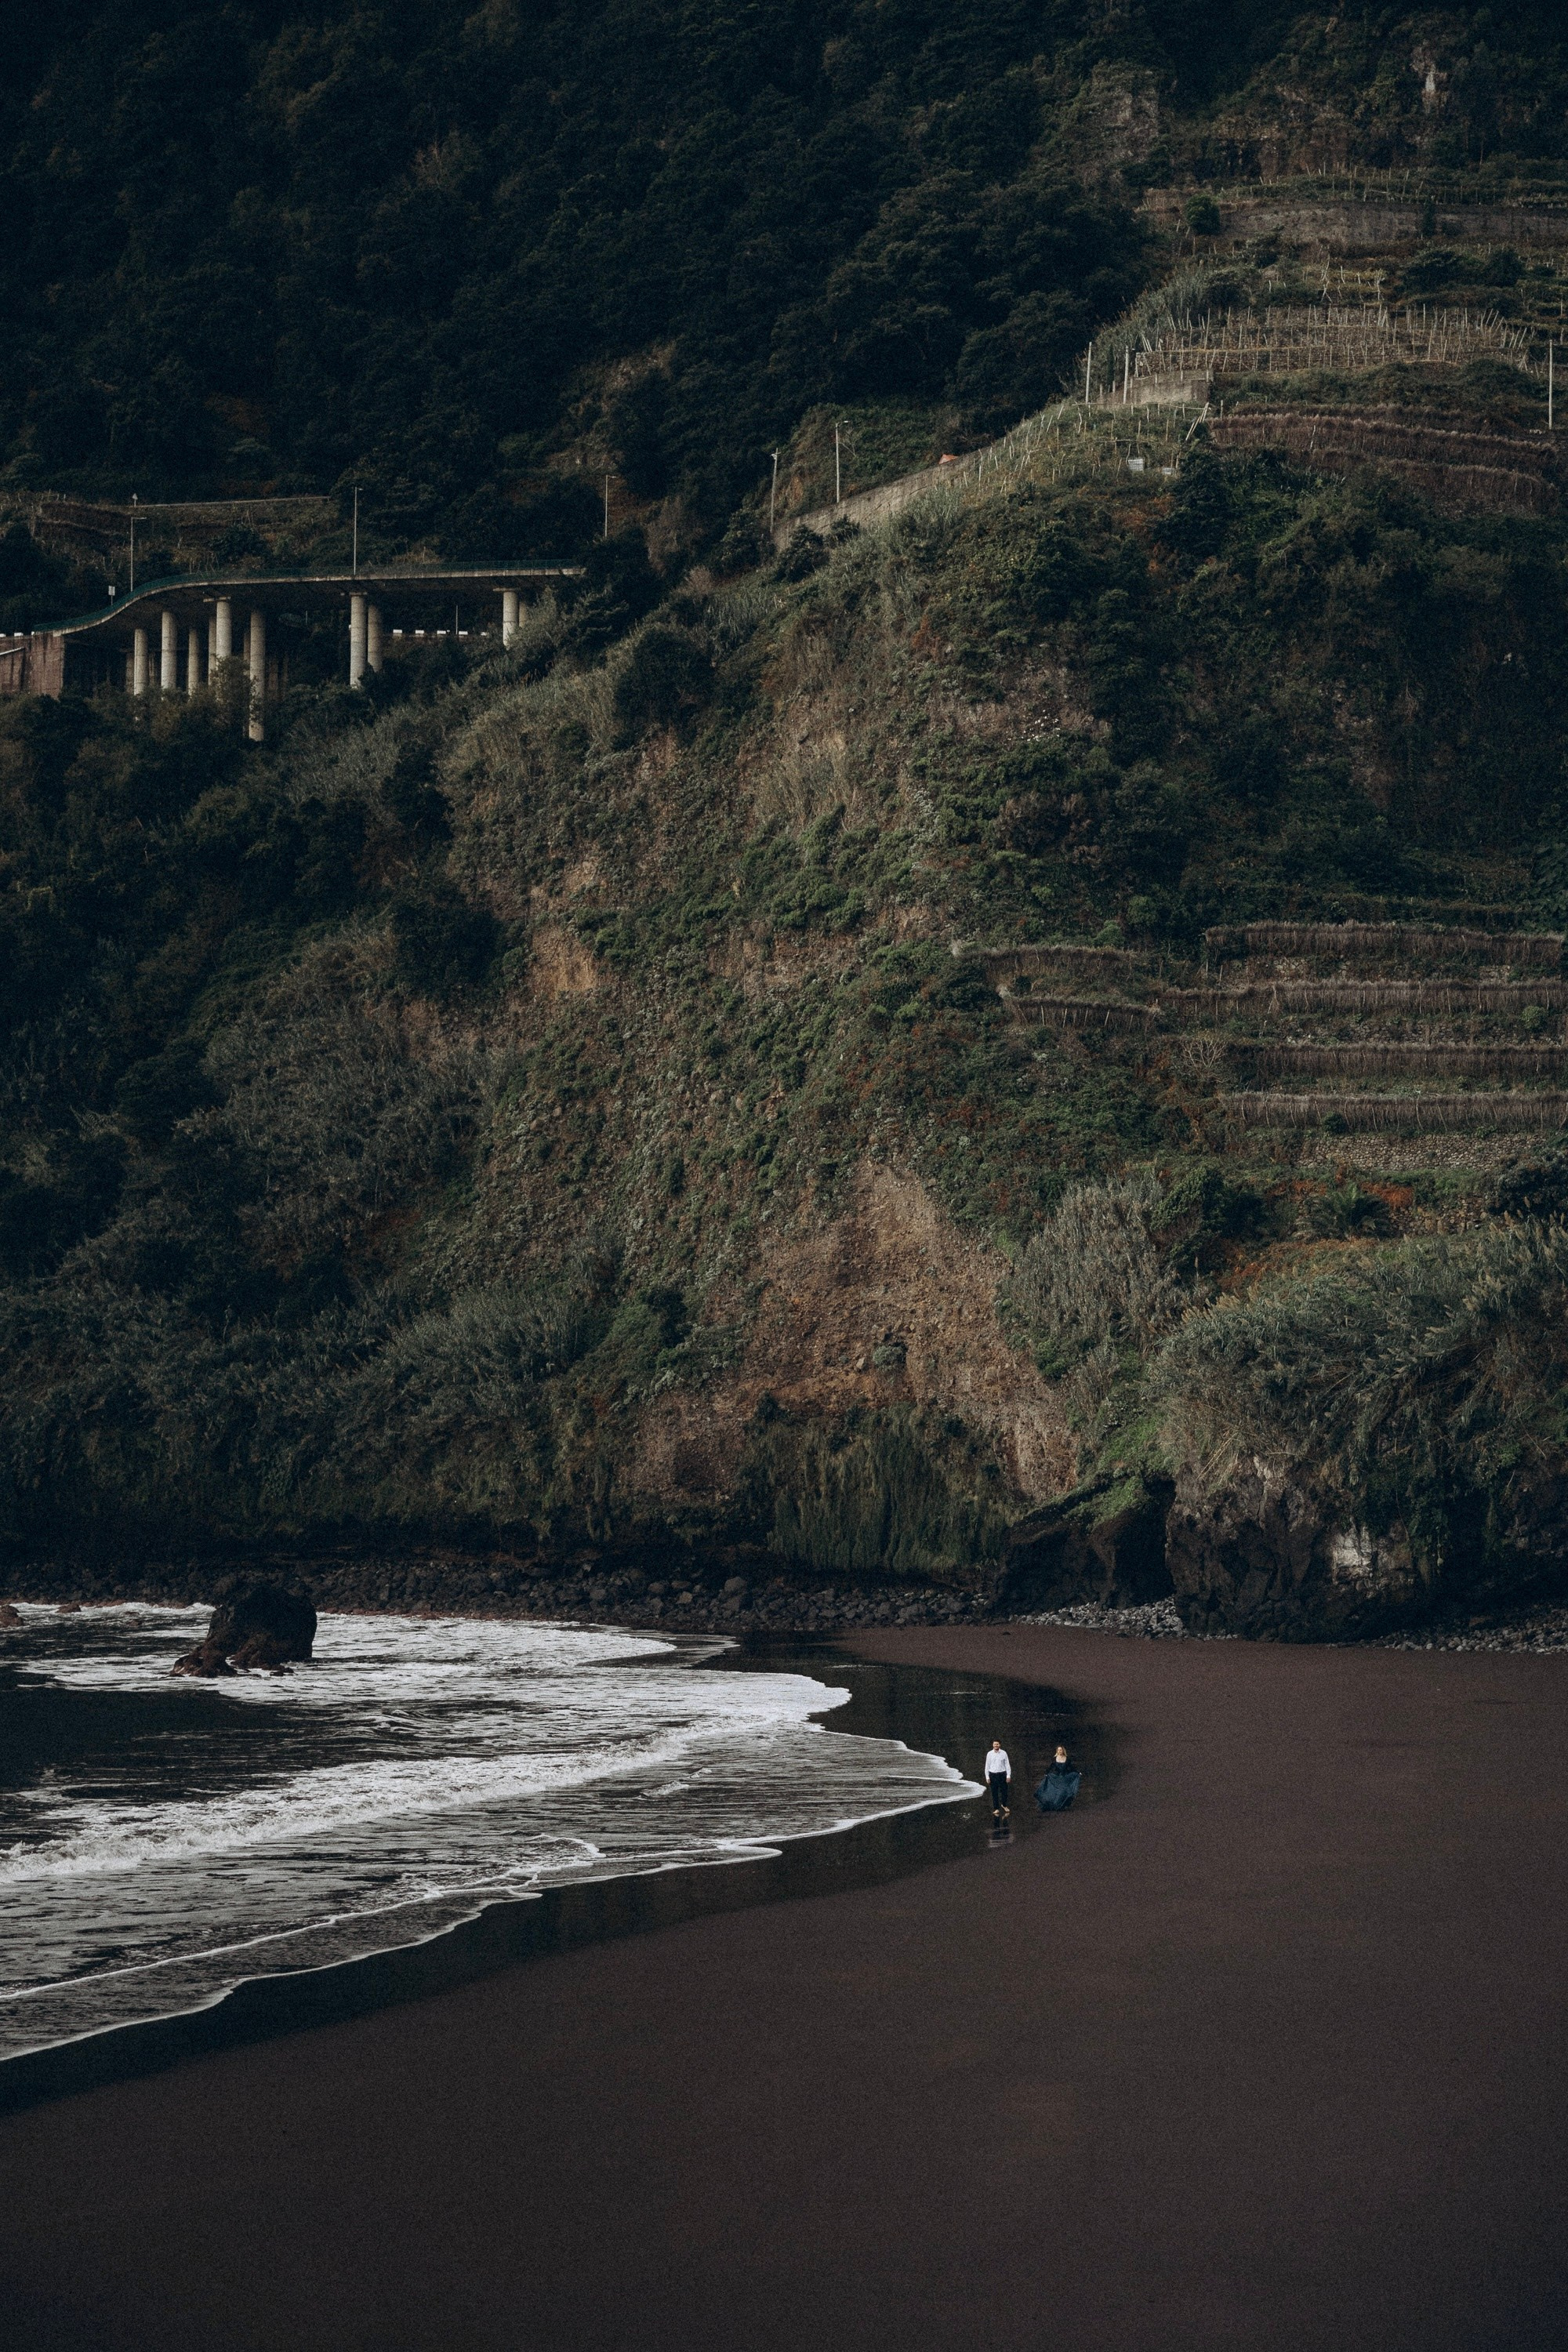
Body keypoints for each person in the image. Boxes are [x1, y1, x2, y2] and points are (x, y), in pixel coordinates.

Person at [1036, 1744, 1082, 1813]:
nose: (1059, 1751)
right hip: (1057, 1777)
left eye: (1060, 1750)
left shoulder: (1067, 1759)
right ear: (1057, 1751)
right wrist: (1046, 1773)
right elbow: (1051, 1767)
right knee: (1055, 1791)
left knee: (1065, 1791)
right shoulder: (1055, 1759)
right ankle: (1053, 1805)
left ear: (1063, 1751)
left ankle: (1061, 1805)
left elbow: (1071, 1767)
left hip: (1065, 1777)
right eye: (1058, 1750)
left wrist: (1078, 1772)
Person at [983, 1739, 1011, 1821]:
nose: (996, 1746)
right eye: (995, 1744)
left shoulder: (1004, 1753)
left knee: (1004, 1791)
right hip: (993, 1775)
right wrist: (987, 1777)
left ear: (1000, 1745)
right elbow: (987, 1766)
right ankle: (996, 1808)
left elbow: (1007, 1764)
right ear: (993, 1745)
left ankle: (1004, 1805)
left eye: (997, 1744)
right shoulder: (989, 1754)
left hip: (1002, 1774)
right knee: (994, 1792)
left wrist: (1008, 1776)